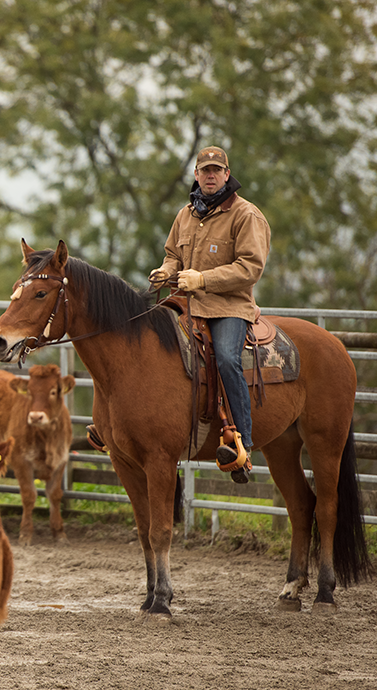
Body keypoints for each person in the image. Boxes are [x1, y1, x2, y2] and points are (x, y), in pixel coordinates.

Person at [150, 146, 271, 483]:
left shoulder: (247, 215)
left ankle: (242, 444)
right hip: (186, 303)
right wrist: (166, 270)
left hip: (229, 306)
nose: (211, 175)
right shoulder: (185, 214)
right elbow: (174, 254)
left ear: (227, 174)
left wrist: (203, 279)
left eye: (217, 170)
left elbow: (250, 267)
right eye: (205, 170)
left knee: (228, 359)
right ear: (196, 175)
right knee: (147, 343)